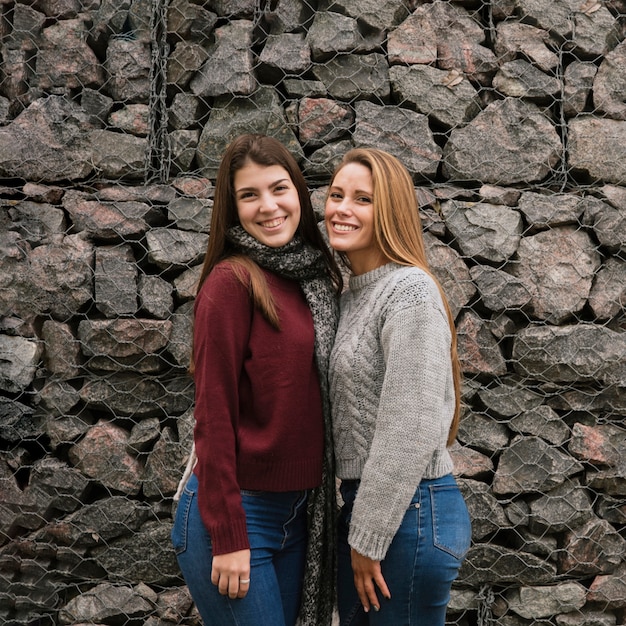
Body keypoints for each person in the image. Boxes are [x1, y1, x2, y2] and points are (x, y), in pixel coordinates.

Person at [171, 134, 342, 626]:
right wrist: (227, 535)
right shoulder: (231, 283)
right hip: (236, 515)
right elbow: (213, 416)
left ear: (300, 195)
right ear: (233, 206)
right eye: (250, 195)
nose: (269, 207)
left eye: (279, 188)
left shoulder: (315, 276)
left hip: (299, 513)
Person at [324, 147, 471, 625]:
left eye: (362, 199)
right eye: (336, 194)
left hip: (409, 512)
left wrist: (368, 537)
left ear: (389, 211)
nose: (342, 208)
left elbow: (410, 424)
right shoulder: (353, 293)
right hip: (378, 510)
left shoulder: (408, 291)